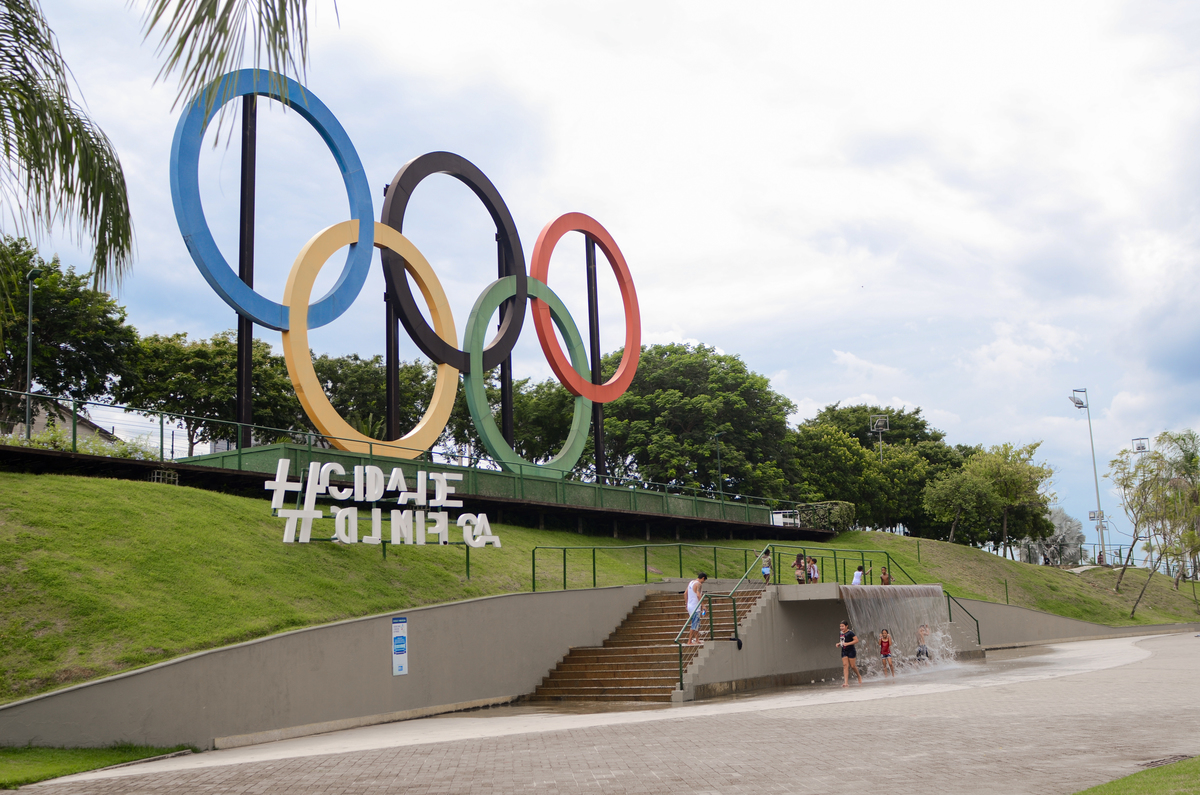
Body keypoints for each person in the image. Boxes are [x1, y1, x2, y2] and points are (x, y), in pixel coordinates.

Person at [836, 620, 862, 687]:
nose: (841, 627)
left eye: (843, 626)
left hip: (851, 650)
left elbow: (856, 640)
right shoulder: (841, 633)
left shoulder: (850, 633)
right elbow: (842, 641)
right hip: (844, 650)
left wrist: (848, 644)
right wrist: (839, 644)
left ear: (846, 626)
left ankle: (859, 676)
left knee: (852, 666)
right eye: (840, 626)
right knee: (845, 665)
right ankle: (846, 682)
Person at [685, 572, 708, 645]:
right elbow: (698, 595)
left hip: (690, 606)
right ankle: (689, 641)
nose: (703, 582)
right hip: (695, 606)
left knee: (696, 623)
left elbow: (685, 593)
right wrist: (703, 605)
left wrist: (686, 604)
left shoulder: (691, 582)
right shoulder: (699, 584)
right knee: (694, 623)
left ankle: (697, 639)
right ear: (703, 578)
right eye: (704, 580)